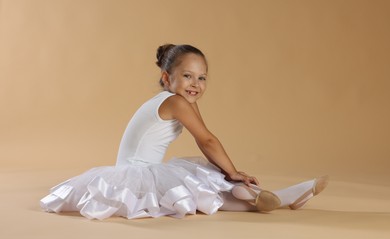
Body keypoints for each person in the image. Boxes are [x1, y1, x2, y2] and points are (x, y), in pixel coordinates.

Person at [40, 44, 328, 220]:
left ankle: (253, 195)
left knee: (208, 173)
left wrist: (228, 171)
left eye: (202, 77)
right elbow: (207, 140)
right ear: (167, 78)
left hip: (145, 171)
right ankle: (266, 198)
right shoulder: (175, 101)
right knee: (201, 180)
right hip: (136, 176)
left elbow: (204, 140)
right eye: (187, 76)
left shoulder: (181, 101)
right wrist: (235, 170)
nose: (196, 83)